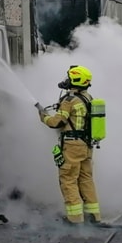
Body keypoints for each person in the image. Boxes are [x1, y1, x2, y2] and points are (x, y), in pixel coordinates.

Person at [38, 65, 101, 226]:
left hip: (72, 146)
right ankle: (94, 216)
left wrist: (43, 116)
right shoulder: (88, 97)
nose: (66, 81)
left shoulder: (69, 100)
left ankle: (75, 219)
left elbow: (56, 123)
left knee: (68, 179)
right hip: (87, 146)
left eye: (69, 78)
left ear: (75, 80)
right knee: (86, 179)